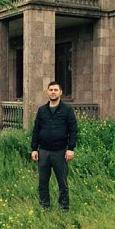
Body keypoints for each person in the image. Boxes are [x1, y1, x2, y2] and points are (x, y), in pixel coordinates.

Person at [31, 81, 77, 210]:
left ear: (60, 92)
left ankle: (64, 207)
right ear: (47, 92)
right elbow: (36, 130)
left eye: (55, 90)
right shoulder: (42, 110)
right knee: (42, 182)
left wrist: (70, 148)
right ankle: (44, 206)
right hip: (43, 151)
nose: (53, 92)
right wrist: (34, 149)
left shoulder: (67, 110)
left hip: (60, 152)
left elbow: (73, 130)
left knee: (62, 182)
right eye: (51, 90)